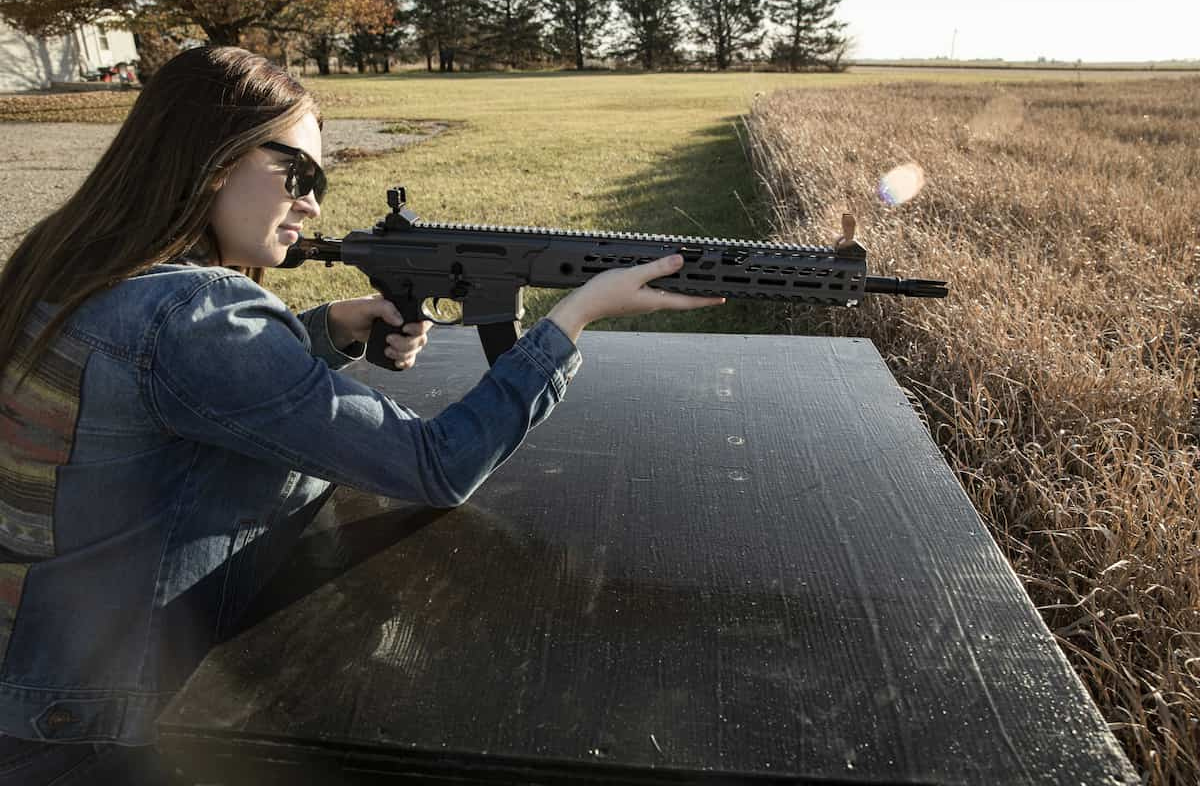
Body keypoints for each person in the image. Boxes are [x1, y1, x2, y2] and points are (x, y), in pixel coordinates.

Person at [0, 46, 723, 784]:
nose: (313, 203)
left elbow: (169, 392)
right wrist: (573, 317)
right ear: (214, 158)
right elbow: (434, 464)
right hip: (101, 735)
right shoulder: (193, 313)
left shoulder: (71, 261)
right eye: (299, 174)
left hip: (39, 683)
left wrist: (326, 330)